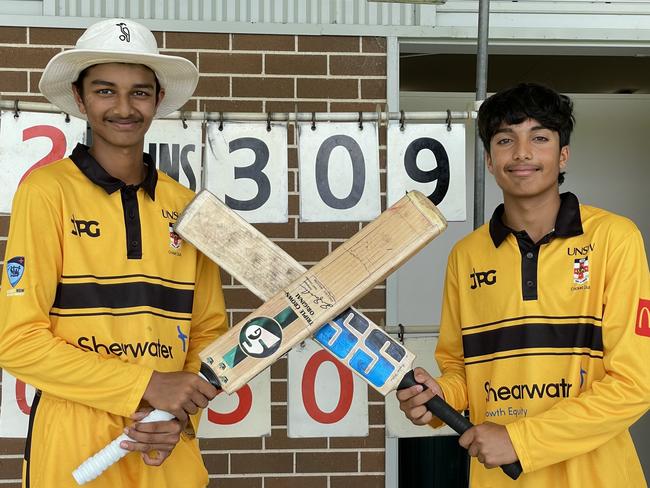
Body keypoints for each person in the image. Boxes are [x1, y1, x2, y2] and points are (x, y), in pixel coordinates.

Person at [0, 18, 228, 487]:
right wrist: (146, 385)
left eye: (139, 92)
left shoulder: (187, 206)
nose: (124, 108)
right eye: (105, 91)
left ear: (158, 99)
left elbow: (209, 334)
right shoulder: (46, 192)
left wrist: (178, 416)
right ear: (80, 99)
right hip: (73, 443)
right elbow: (18, 342)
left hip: (163, 445)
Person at [397, 83, 650, 487]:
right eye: (505, 140)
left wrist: (520, 440)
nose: (522, 153)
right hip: (499, 479)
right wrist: (438, 396)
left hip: (598, 477)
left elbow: (634, 385)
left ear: (563, 154)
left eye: (540, 138)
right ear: (489, 159)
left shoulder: (614, 239)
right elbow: (462, 371)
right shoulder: (466, 256)